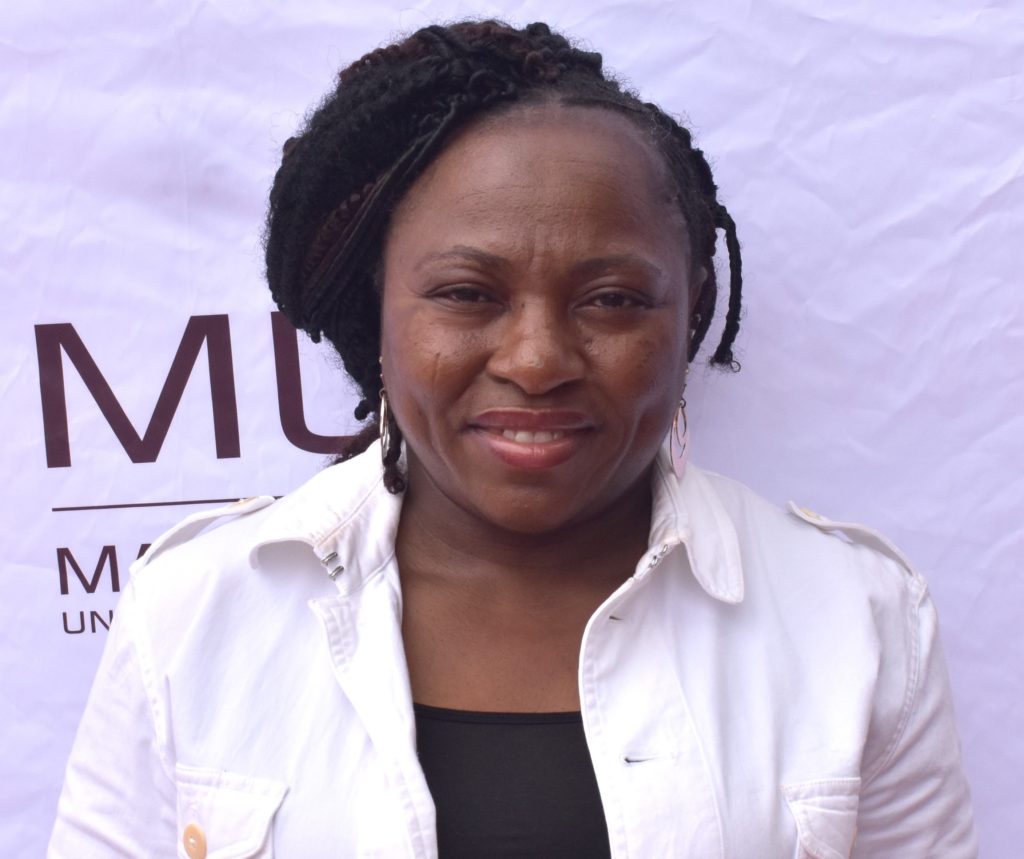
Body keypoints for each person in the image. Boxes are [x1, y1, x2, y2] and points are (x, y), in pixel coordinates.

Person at [50, 20, 976, 858]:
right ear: (377, 307)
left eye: (612, 299)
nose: (536, 361)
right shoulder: (197, 612)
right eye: (467, 293)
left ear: (691, 309)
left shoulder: (854, 618)